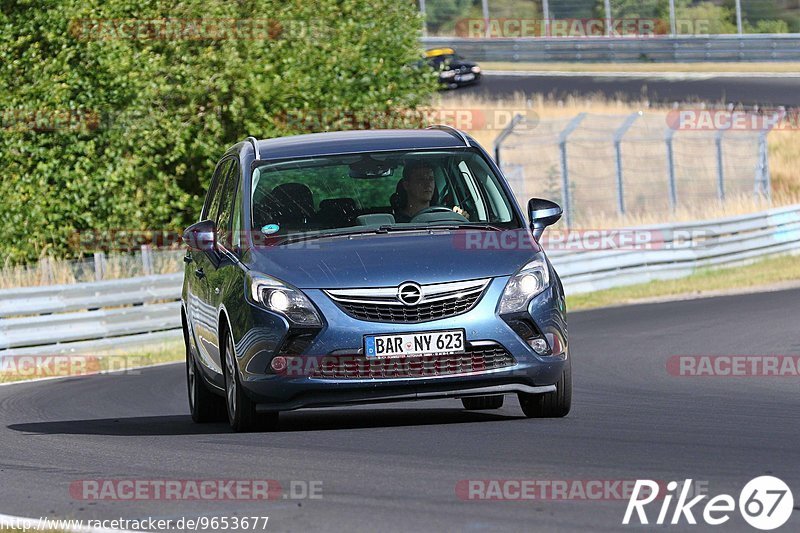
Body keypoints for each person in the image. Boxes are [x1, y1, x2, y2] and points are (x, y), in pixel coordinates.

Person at [392, 161, 469, 223]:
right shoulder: (395, 223)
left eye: (431, 179)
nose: (428, 184)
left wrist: (460, 219)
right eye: (421, 179)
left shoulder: (445, 217)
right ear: (406, 185)